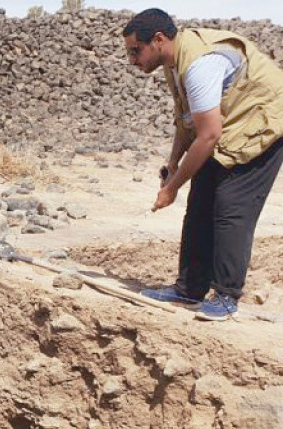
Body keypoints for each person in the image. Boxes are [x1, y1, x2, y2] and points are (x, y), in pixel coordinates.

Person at [123, 8, 283, 321]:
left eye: (135, 51)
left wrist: (172, 189)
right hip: (230, 124)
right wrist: (173, 163)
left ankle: (226, 296)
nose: (132, 60)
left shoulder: (199, 65)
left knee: (231, 206)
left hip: (263, 123)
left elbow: (208, 136)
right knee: (200, 202)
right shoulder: (173, 62)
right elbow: (187, 120)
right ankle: (189, 289)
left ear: (158, 40)